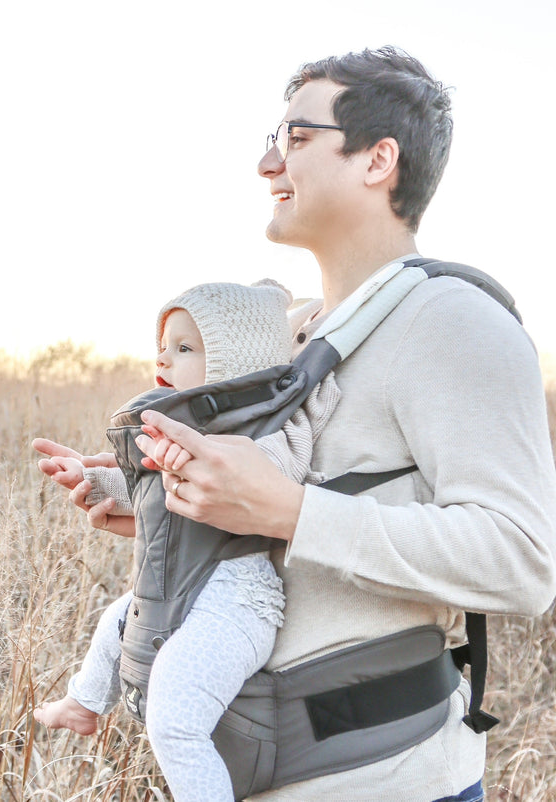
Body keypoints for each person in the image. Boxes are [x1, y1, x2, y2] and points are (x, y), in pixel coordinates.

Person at [35, 47, 556, 801]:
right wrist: (178, 507)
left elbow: (523, 562)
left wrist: (288, 512)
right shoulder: (289, 334)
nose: (266, 162)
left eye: (297, 138)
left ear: (379, 160)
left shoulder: (456, 324)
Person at [35, 279, 339, 801]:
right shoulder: (177, 428)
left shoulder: (265, 430)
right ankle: (85, 702)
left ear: (233, 365)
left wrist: (195, 460)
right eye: (163, 347)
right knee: (115, 622)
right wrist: (91, 478)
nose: (163, 359)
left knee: (174, 719)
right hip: (181, 582)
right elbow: (149, 491)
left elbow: (272, 476)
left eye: (183, 348)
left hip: (237, 600)